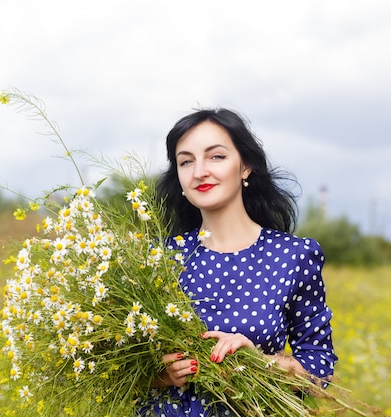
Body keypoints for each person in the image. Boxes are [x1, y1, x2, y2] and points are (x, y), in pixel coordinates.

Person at [137, 108, 337, 417]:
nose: (200, 171)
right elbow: (120, 366)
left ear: (245, 167)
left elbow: (319, 369)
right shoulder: (158, 260)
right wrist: (161, 375)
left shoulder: (294, 257)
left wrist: (258, 362)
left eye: (216, 157)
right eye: (186, 161)